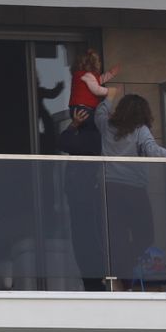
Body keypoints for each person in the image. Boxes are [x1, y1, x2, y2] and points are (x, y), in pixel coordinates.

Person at [94, 91, 166, 288]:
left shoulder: (107, 126)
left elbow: (100, 112)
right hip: (134, 190)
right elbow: (153, 151)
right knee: (145, 235)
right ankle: (126, 275)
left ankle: (121, 277)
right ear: (143, 113)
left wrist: (109, 95)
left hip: (109, 190)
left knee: (117, 238)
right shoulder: (140, 130)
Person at [59, 105, 107, 291]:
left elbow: (63, 143)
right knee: (87, 237)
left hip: (84, 194)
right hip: (84, 192)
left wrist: (74, 125)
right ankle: (94, 280)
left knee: (84, 238)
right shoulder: (97, 135)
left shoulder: (91, 137)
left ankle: (94, 282)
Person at [69, 49, 120, 119]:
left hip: (77, 109)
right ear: (93, 64)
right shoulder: (87, 75)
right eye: (98, 61)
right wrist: (112, 91)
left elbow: (96, 81)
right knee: (96, 125)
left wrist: (110, 74)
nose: (99, 63)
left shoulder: (80, 75)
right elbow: (97, 89)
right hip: (85, 109)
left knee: (86, 129)